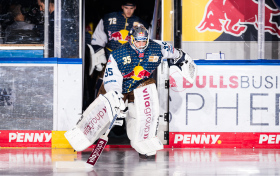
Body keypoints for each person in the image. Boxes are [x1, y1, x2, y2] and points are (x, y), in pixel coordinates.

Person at [99, 24, 197, 158]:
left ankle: (141, 142)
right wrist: (116, 98)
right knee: (105, 116)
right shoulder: (118, 54)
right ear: (131, 40)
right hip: (117, 86)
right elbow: (111, 79)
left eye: (144, 40)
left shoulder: (157, 47)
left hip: (138, 86)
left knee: (138, 115)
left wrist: (184, 60)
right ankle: (91, 135)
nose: (141, 44)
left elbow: (177, 54)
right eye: (138, 41)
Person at [88, 0, 148, 75]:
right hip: (109, 59)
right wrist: (98, 57)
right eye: (126, 8)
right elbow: (98, 39)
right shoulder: (108, 19)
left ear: (135, 8)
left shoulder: (141, 23)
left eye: (131, 8)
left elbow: (145, 44)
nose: (128, 11)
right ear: (122, 7)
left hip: (131, 62)